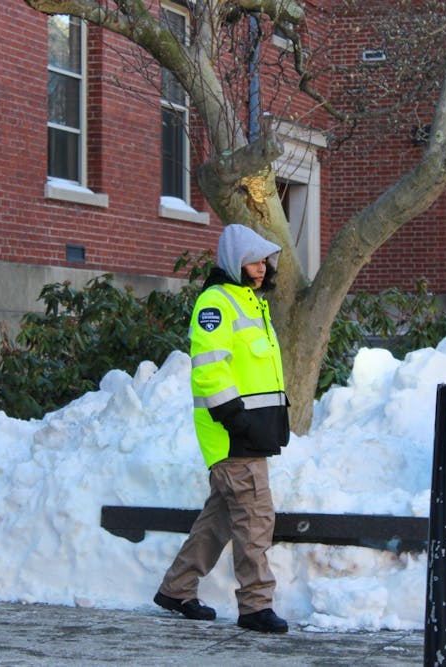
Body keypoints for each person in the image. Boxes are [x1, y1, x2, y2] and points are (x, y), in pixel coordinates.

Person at [154, 224, 290, 634]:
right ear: (235, 262)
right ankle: (255, 605)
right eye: (252, 261)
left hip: (251, 431)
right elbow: (210, 370)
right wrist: (237, 420)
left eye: (263, 260)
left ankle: (176, 589)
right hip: (234, 434)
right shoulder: (217, 303)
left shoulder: (249, 302)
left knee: (221, 519)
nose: (261, 268)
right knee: (255, 517)